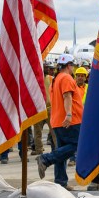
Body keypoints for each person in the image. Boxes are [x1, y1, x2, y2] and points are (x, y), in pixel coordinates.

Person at [37, 55, 84, 188]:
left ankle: (60, 182)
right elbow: (67, 96)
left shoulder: (56, 79)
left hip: (57, 120)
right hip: (70, 120)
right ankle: (46, 159)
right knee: (77, 145)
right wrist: (69, 114)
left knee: (61, 152)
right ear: (69, 65)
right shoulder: (66, 78)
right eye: (73, 65)